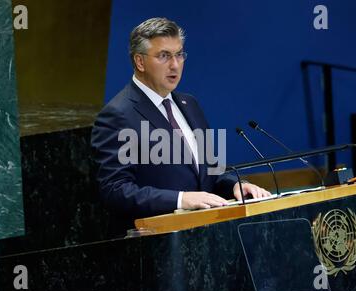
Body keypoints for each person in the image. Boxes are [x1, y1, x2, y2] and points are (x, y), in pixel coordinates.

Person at [91, 17, 270, 237]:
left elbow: (211, 168)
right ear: (140, 62)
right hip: (159, 244)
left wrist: (235, 184)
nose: (175, 65)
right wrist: (181, 199)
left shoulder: (189, 104)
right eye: (164, 56)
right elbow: (115, 190)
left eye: (179, 54)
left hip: (208, 237)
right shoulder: (118, 114)